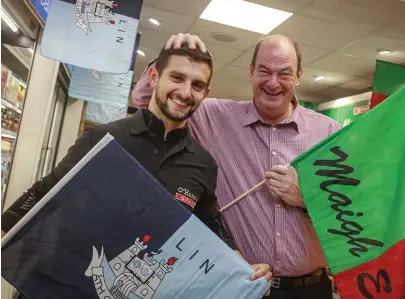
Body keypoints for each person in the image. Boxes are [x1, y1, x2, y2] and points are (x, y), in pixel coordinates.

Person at [1, 44, 271, 294]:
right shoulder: (103, 139)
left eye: (197, 85)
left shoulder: (203, 165)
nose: (186, 92)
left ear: (206, 94)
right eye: (177, 78)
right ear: (154, 77)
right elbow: (45, 194)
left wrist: (240, 264)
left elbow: (208, 226)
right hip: (70, 284)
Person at [132, 33, 341, 299]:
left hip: (311, 290)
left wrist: (305, 198)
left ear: (298, 76)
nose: (273, 83)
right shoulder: (215, 117)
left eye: (284, 73)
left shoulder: (328, 133)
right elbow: (146, 102)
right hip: (241, 287)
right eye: (264, 71)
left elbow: (348, 214)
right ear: (251, 72)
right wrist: (170, 53)